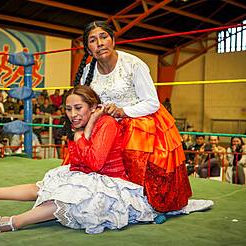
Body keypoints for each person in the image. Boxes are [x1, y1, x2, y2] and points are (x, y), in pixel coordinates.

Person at [0, 86, 212, 235]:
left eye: (79, 108)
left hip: (114, 185)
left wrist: (84, 133)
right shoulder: (84, 126)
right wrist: (82, 134)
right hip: (91, 176)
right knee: (46, 185)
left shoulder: (104, 123)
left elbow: (95, 162)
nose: (73, 114)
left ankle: (14, 222)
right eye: (68, 109)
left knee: (67, 196)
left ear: (93, 108)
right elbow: (78, 161)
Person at [73, 21, 192, 213]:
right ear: (88, 48)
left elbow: (152, 102)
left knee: (134, 150)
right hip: (105, 125)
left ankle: (137, 202)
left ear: (113, 40)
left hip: (139, 123)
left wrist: (123, 112)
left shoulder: (134, 65)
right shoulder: (87, 72)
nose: (100, 43)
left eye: (104, 37)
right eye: (93, 40)